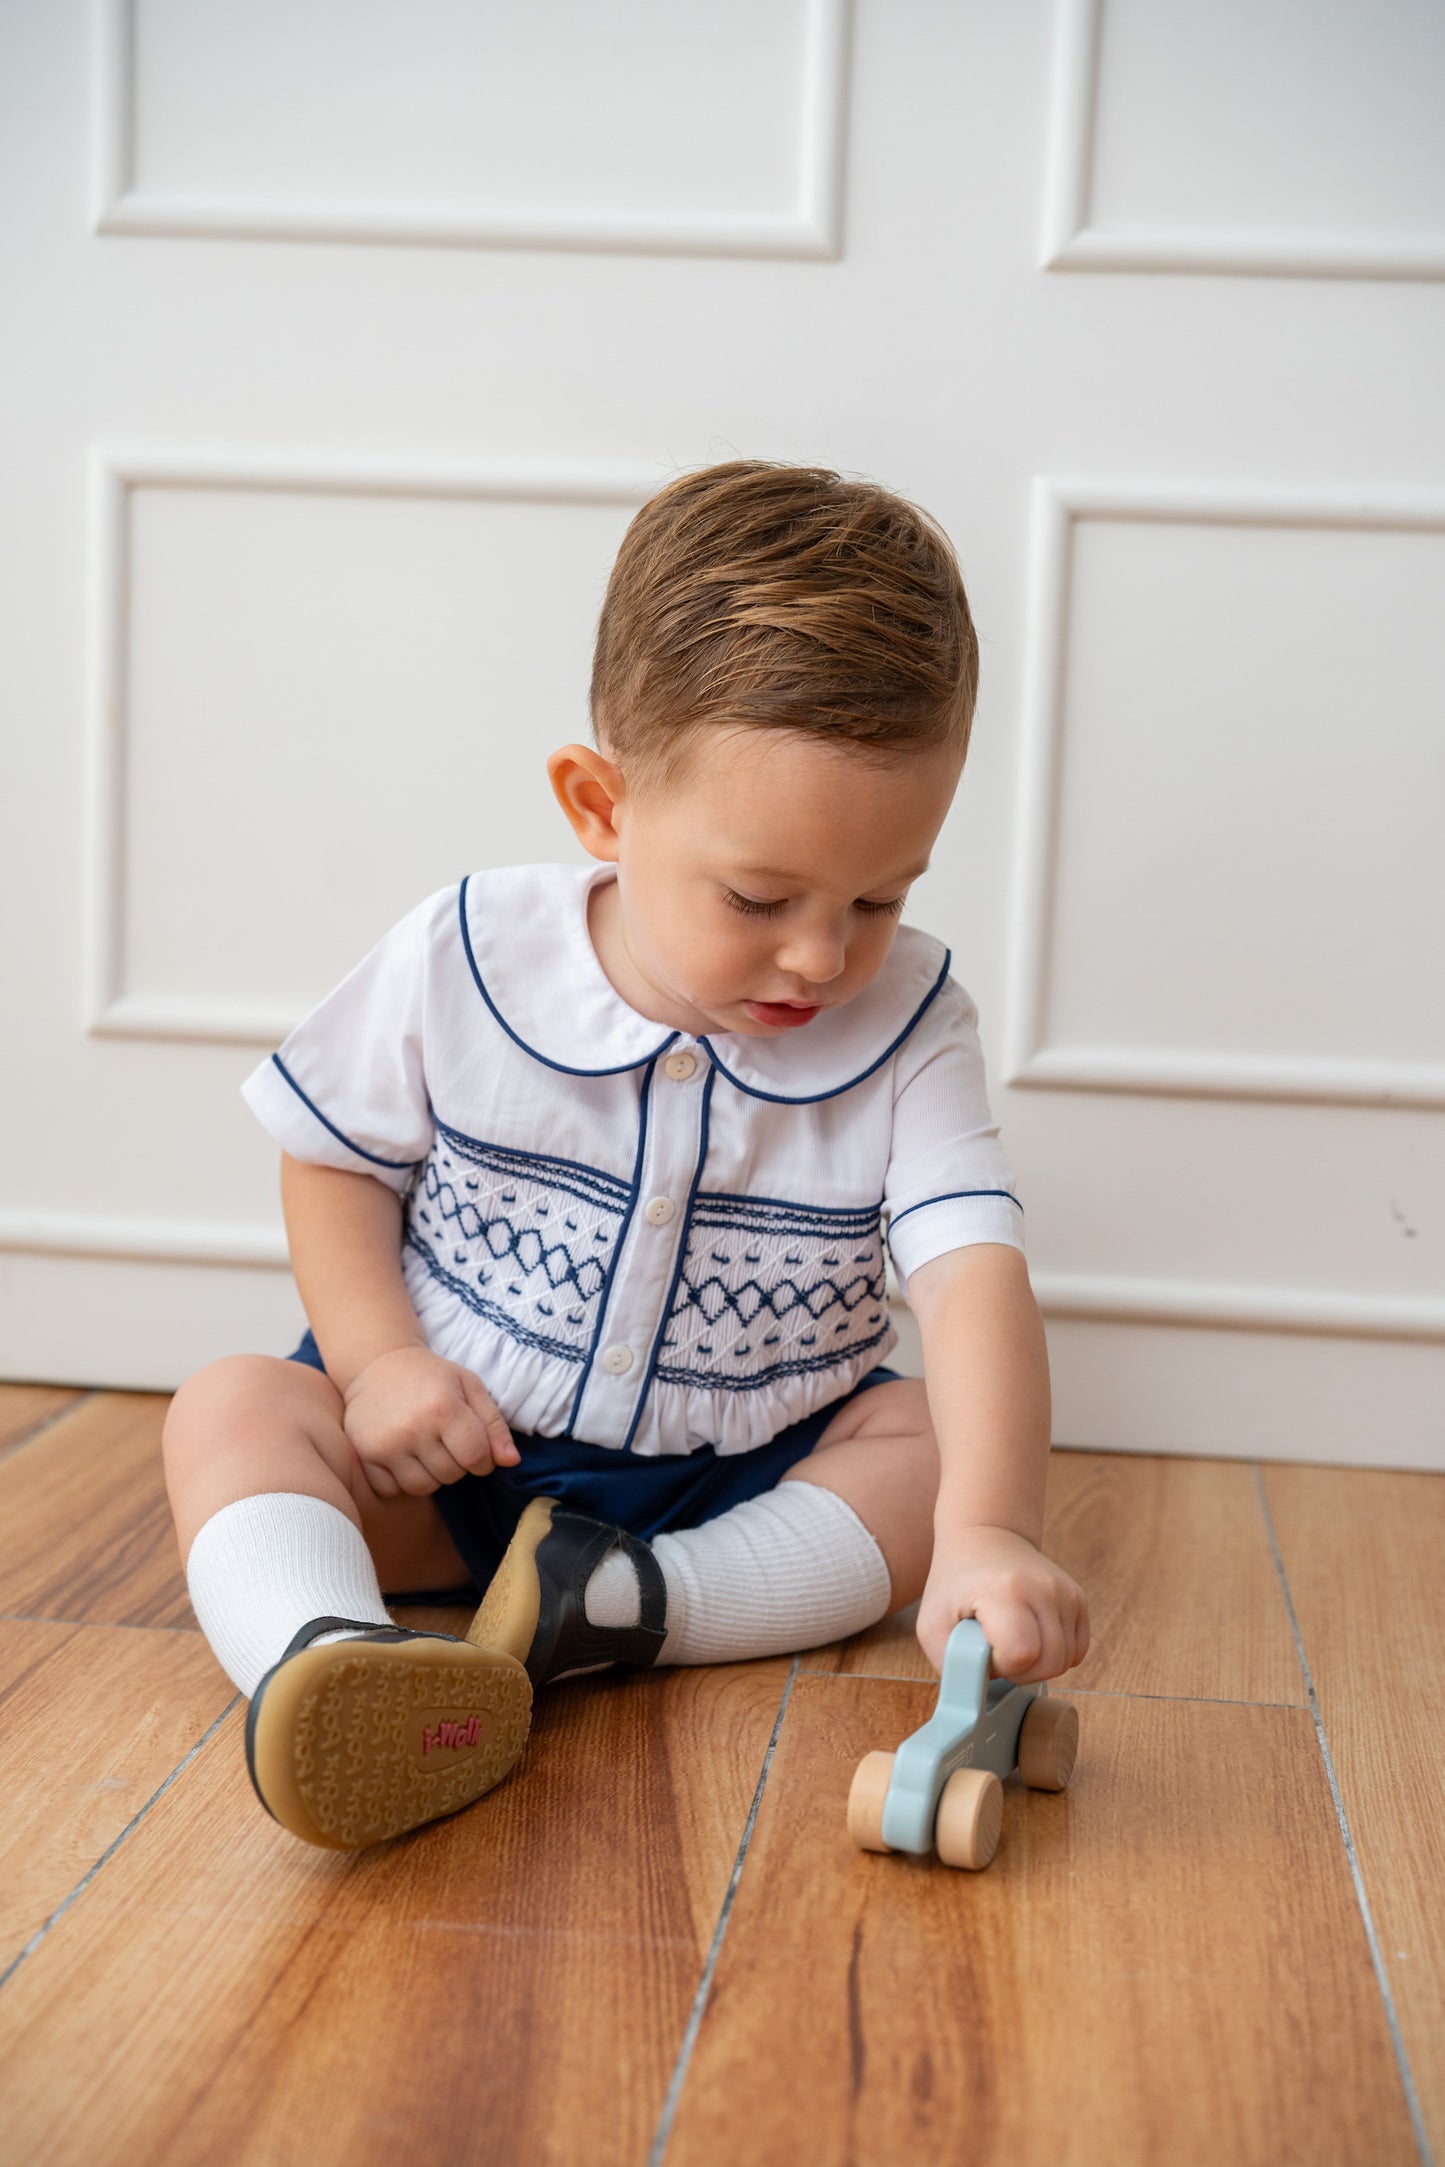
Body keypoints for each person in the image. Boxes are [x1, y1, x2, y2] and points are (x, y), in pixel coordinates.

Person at [163, 460, 1089, 1852]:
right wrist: (378, 1366)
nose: (822, 955)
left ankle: (636, 1608)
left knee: (918, 1450)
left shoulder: (910, 1028)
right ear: (601, 808)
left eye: (879, 897)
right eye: (760, 897)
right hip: (457, 1448)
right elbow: (333, 1161)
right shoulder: (466, 954)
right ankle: (327, 1658)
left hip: (740, 1474)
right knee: (230, 1409)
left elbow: (968, 1280)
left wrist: (990, 1529)